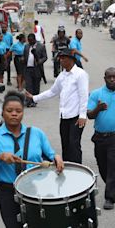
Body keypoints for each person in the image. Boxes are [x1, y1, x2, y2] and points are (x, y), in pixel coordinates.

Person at [0, 91, 64, 228]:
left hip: (35, 190)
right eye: (9, 110)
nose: (14, 114)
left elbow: (51, 154)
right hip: (8, 192)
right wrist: (0, 157)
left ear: (23, 113)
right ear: (2, 113)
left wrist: (57, 158)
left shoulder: (36, 133)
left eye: (18, 111)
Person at [25, 49, 89, 164]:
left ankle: (78, 171)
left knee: (74, 145)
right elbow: (52, 92)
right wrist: (34, 97)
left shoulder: (80, 74)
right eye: (60, 58)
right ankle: (67, 168)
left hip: (76, 117)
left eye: (63, 58)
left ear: (71, 60)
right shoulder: (62, 75)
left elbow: (83, 95)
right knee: (65, 144)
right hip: (64, 116)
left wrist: (83, 115)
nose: (61, 60)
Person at [87, 67, 115, 210]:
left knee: (111, 167)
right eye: (109, 77)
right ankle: (113, 189)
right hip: (99, 137)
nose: (112, 79)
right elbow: (89, 115)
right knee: (103, 166)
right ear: (104, 78)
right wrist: (98, 108)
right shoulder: (97, 94)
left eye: (114, 77)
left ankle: (109, 198)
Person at [23, 33, 47, 107]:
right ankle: (28, 101)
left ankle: (34, 99)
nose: (30, 42)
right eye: (29, 41)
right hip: (28, 69)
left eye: (31, 41)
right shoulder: (26, 46)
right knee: (28, 85)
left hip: (37, 69)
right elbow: (25, 55)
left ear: (34, 39)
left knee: (36, 85)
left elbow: (45, 57)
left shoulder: (41, 46)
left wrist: (40, 61)